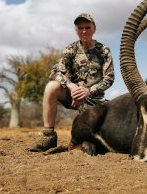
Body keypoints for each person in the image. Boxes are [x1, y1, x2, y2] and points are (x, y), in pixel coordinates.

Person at [28, 13, 115, 152]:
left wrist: (88, 91)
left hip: (94, 99)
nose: (84, 31)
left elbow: (109, 78)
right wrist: (72, 86)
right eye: (80, 28)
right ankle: (49, 137)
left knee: (107, 131)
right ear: (76, 30)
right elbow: (55, 73)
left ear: (94, 28)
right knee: (51, 87)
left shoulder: (104, 50)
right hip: (72, 97)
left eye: (87, 27)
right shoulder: (71, 49)